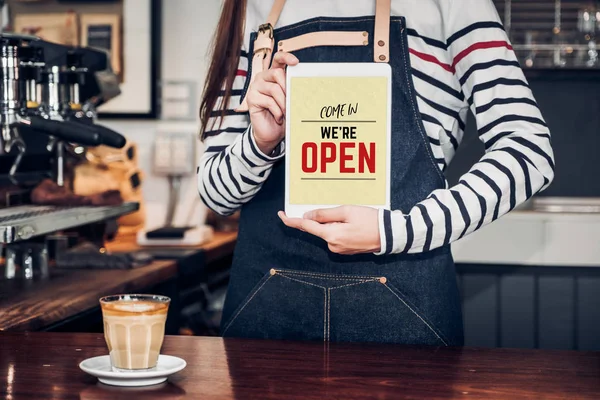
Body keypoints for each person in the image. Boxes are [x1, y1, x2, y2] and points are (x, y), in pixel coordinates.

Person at [198, 0, 555, 346]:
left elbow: (529, 151)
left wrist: (392, 231)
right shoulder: (253, 8)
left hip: (404, 312)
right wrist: (261, 143)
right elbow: (216, 195)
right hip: (266, 312)